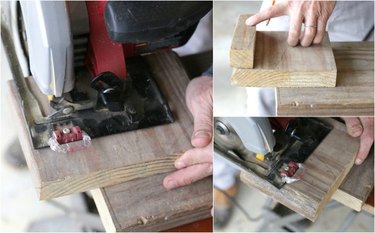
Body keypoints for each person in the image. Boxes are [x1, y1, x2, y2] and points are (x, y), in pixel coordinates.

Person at [213, 0, 374, 228]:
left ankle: (298, 197)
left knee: (340, 90)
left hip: (359, 10)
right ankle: (221, 180)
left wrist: (367, 89)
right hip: (292, 7)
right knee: (264, 90)